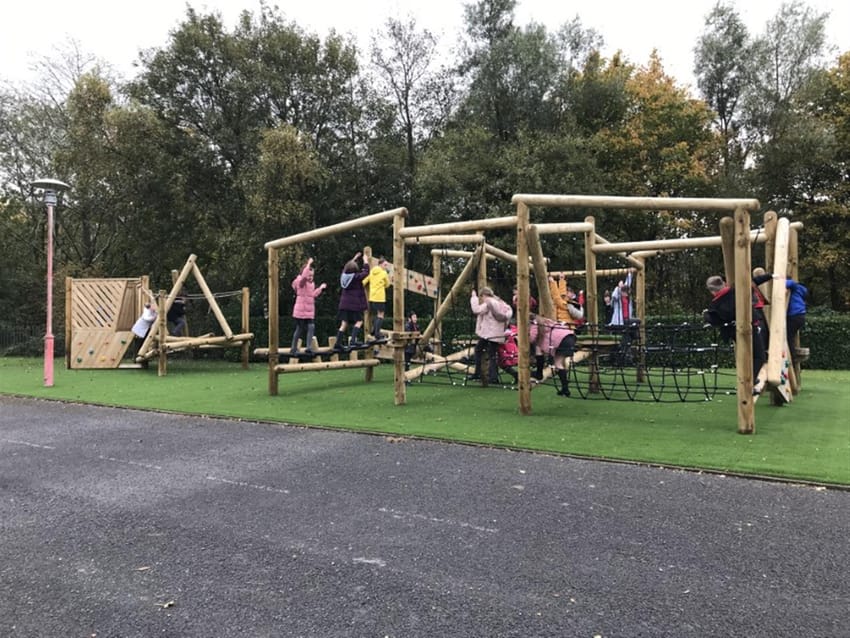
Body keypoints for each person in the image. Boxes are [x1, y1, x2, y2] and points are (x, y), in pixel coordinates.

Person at [703, 275, 766, 392]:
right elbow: (753, 282)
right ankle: (750, 381)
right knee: (759, 356)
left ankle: (750, 380)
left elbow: (714, 320)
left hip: (735, 332)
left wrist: (706, 316)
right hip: (749, 327)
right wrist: (770, 276)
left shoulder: (716, 304)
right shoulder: (736, 291)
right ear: (724, 283)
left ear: (712, 291)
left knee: (747, 356)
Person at [469, 287, 513, 384]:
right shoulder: (501, 303)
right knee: (492, 354)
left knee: (478, 350)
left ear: (484, 295)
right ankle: (493, 376)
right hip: (498, 333)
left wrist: (474, 297)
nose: (482, 299)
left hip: (489, 333)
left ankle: (478, 373)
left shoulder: (488, 303)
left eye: (481, 297)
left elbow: (476, 310)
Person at [529, 314, 577, 396]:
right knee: (558, 364)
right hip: (569, 337)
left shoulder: (534, 324)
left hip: (560, 340)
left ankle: (539, 374)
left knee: (538, 349)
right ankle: (565, 389)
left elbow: (531, 338)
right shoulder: (547, 321)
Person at [290, 257, 327, 356]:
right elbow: (303, 277)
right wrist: (308, 264)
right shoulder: (301, 283)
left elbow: (312, 295)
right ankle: (293, 348)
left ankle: (308, 347)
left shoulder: (311, 284)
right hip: (300, 310)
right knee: (299, 328)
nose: (310, 277)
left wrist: (320, 288)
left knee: (311, 327)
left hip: (309, 311)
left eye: (312, 276)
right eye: (309, 275)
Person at [333, 252, 369, 351]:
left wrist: (354, 258)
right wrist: (365, 261)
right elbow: (366, 272)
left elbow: (347, 267)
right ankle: (353, 341)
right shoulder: (356, 277)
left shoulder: (343, 276)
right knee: (359, 321)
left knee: (344, 324)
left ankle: (338, 343)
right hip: (353, 304)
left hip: (344, 304)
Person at [363, 256, 391, 342]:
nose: (386, 267)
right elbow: (387, 284)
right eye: (385, 265)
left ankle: (373, 331)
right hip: (380, 297)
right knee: (381, 315)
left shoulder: (372, 272)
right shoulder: (384, 273)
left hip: (372, 297)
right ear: (380, 264)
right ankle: (377, 333)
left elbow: (365, 281)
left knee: (376, 314)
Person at [786, 276, 808, 349]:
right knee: (791, 335)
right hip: (800, 315)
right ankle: (792, 352)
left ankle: (791, 354)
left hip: (794, 315)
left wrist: (779, 281)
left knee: (788, 336)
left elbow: (790, 283)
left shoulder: (794, 287)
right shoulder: (799, 289)